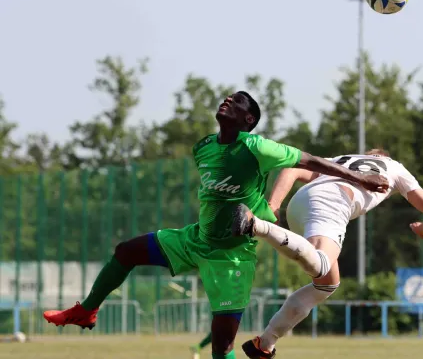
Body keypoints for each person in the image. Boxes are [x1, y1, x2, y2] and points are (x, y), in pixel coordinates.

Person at [43, 91, 389, 359]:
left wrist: (355, 175)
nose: (229, 100)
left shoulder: (257, 147)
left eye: (238, 102)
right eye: (229, 97)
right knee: (125, 251)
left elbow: (309, 160)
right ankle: (87, 310)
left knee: (221, 348)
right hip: (195, 239)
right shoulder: (204, 147)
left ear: (248, 118)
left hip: (231, 258)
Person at [232, 149, 423, 359]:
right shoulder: (394, 167)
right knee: (322, 264)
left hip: (299, 204)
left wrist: (274, 205)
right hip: (333, 203)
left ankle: (265, 343)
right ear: (382, 157)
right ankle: (256, 225)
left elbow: (292, 167)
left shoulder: (340, 160)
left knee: (327, 283)